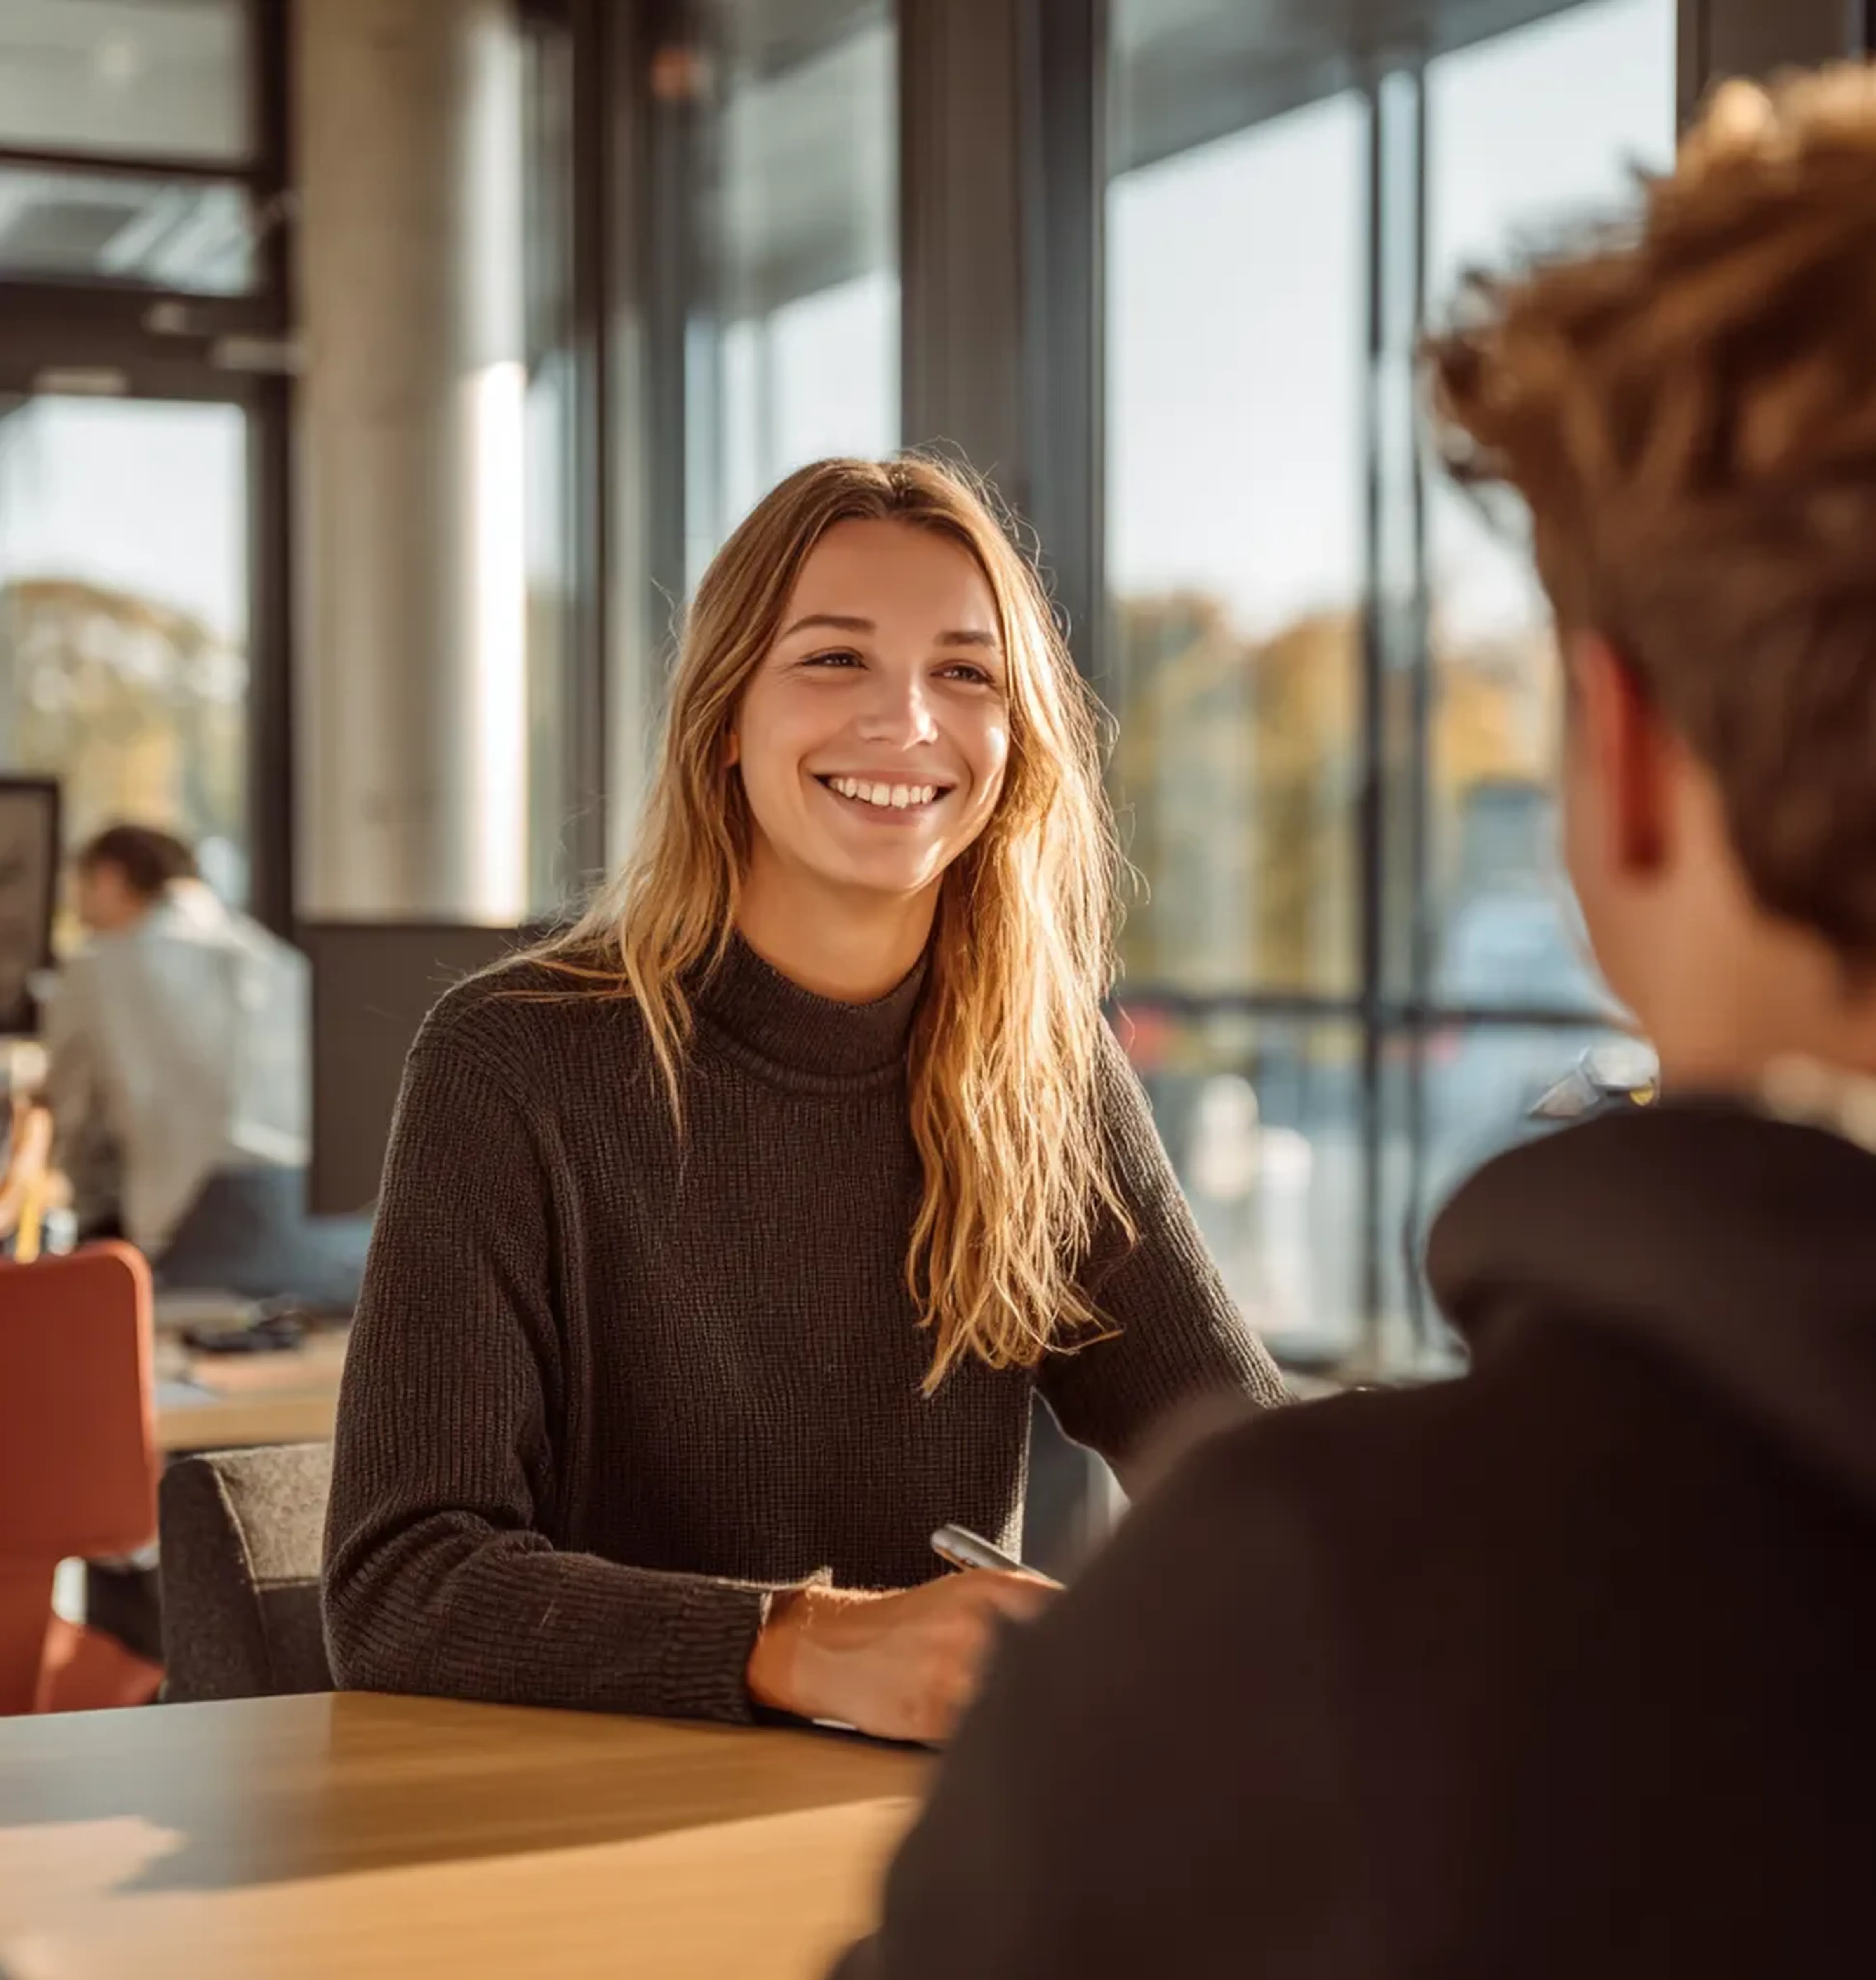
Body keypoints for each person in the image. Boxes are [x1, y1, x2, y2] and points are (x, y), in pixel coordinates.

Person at [835, 52, 1876, 1979]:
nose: (908, 725)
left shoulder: (1313, 1631)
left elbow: (1197, 1414)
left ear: (1619, 765)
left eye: (965, 671)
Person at [323, 456, 1285, 1738]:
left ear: (1015, 742)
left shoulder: (1043, 1070)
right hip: (589, 1811)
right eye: (835, 659)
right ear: (724, 717)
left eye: (966, 673)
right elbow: (399, 1588)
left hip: (918, 1821)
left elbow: (1241, 1472)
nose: (907, 720)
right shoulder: (515, 1060)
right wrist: (809, 1646)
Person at [43, 823, 369, 1313]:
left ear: (109, 879)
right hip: (326, 1238)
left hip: (202, 1237)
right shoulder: (276, 959)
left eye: (80, 891)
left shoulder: (97, 966)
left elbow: (75, 1123)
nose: (78, 913)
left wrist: (84, 1225)